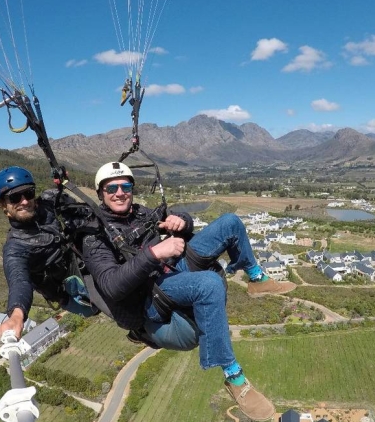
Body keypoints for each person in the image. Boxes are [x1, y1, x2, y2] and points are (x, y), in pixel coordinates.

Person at [80, 162, 296, 421]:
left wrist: (181, 220)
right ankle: (234, 377)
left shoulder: (139, 213)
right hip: (150, 294)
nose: (119, 192)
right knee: (209, 284)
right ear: (100, 193)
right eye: (111, 188)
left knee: (230, 222)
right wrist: (154, 253)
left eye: (125, 186)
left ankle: (257, 277)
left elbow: (180, 221)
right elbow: (112, 286)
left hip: (169, 268)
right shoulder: (94, 236)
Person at [0, 166, 97, 340]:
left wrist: (62, 186)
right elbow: (19, 281)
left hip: (84, 262)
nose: (24, 201)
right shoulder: (16, 248)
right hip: (73, 292)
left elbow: (85, 212)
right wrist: (17, 315)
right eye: (15, 197)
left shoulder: (50, 202)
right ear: (3, 205)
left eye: (28, 193)